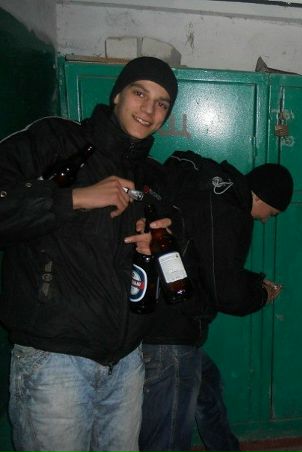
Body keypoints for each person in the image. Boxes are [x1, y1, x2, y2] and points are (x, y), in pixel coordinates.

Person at [0, 56, 178, 452]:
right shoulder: (57, 140)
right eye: (139, 93)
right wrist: (75, 198)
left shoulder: (151, 176)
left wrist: (158, 243)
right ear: (117, 95)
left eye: (162, 103)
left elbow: (163, 256)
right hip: (54, 361)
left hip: (126, 361)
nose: (149, 109)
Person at [139, 150, 294, 452]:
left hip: (167, 320)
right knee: (167, 438)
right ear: (261, 197)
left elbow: (210, 264)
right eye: (272, 213)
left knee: (208, 391)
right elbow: (227, 293)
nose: (266, 220)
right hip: (172, 331)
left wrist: (254, 282)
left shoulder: (215, 195)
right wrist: (262, 295)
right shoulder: (231, 212)